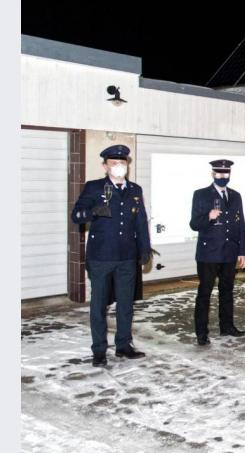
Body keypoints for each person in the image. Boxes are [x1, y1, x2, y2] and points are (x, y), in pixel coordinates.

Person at [71, 145, 151, 367]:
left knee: (126, 304)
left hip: (127, 257)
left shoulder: (135, 189)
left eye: (122, 163)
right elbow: (76, 216)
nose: (119, 167)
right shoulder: (94, 187)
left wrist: (144, 248)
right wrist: (93, 211)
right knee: (99, 306)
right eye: (114, 163)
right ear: (105, 166)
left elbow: (140, 222)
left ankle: (123, 346)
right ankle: (99, 350)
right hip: (101, 258)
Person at [189, 160, 245, 346]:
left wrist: (243, 252)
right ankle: (201, 332)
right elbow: (194, 223)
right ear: (212, 174)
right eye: (219, 173)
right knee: (204, 293)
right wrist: (208, 216)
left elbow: (240, 225)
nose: (223, 177)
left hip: (229, 253)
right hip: (209, 254)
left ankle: (227, 326)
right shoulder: (201, 194)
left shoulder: (235, 196)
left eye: (226, 173)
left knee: (227, 292)